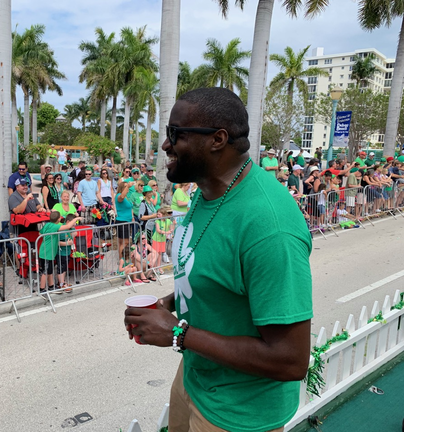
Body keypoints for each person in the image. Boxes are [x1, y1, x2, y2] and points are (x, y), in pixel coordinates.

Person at [124, 87, 312, 432]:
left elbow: (290, 360)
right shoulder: (208, 191)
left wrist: (179, 334)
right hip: (195, 381)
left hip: (238, 414)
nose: (166, 145)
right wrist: (164, 306)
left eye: (175, 134)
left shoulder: (269, 227)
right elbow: (212, 275)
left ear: (217, 140)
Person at [37, 211, 82, 294]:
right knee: (45, 272)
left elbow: (40, 233)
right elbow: (68, 225)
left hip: (46, 251)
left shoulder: (47, 225)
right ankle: (42, 289)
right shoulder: (54, 226)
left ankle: (51, 287)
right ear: (58, 219)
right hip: (47, 252)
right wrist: (77, 218)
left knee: (49, 270)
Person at [115, 180, 136, 261]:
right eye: (125, 187)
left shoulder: (127, 197)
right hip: (122, 221)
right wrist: (128, 186)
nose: (127, 189)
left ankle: (121, 259)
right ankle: (122, 260)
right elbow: (122, 197)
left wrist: (132, 216)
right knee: (125, 242)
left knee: (122, 242)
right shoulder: (119, 196)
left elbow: (130, 208)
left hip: (126, 220)